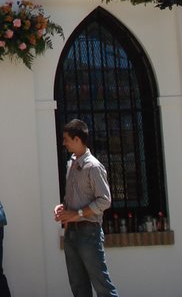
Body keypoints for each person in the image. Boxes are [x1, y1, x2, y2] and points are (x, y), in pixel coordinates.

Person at [54, 119, 119, 297]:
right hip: (71, 232)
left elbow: (104, 200)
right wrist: (63, 208)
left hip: (89, 231)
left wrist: (77, 214)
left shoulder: (94, 166)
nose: (64, 143)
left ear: (77, 139)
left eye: (66, 138)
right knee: (78, 286)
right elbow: (73, 197)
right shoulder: (71, 164)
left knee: (102, 286)